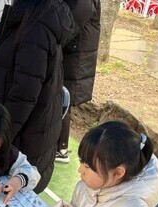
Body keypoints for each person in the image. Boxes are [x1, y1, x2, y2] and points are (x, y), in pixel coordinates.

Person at [0, 0, 75, 193]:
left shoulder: (36, 26)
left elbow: (24, 95)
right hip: (25, 136)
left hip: (23, 141)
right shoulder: (33, 15)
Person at [56, 0, 101, 163]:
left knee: (63, 99)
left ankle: (60, 148)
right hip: (72, 54)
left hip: (75, 57)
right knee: (60, 97)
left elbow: (69, 25)